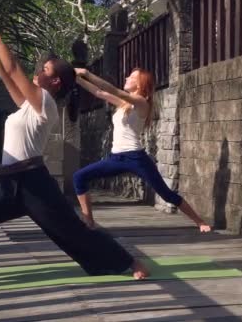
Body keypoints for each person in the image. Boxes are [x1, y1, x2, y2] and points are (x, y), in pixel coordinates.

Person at [0, 11, 149, 284]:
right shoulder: (29, 104)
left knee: (72, 232)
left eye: (45, 70)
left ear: (55, 82)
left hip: (34, 184)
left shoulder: (45, 103)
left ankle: (130, 261)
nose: (38, 72)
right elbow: (5, 74)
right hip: (10, 185)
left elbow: (14, 68)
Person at [73, 68, 213, 233]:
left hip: (135, 158)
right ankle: (88, 220)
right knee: (79, 177)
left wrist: (88, 74)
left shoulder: (141, 103)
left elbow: (112, 90)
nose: (126, 77)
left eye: (132, 77)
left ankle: (200, 222)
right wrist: (75, 78)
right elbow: (99, 92)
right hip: (115, 158)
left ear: (140, 85)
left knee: (166, 194)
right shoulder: (124, 104)